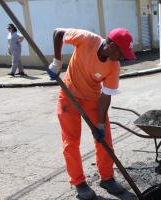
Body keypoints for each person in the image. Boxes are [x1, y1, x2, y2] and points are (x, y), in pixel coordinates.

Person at [47, 28, 136, 200]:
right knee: (71, 141)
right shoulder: (87, 39)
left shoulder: (114, 66)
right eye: (122, 52)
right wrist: (57, 62)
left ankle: (107, 178)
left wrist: (100, 125)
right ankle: (79, 182)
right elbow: (58, 33)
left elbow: (106, 96)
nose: (124, 57)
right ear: (111, 45)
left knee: (105, 139)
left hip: (93, 99)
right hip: (69, 95)